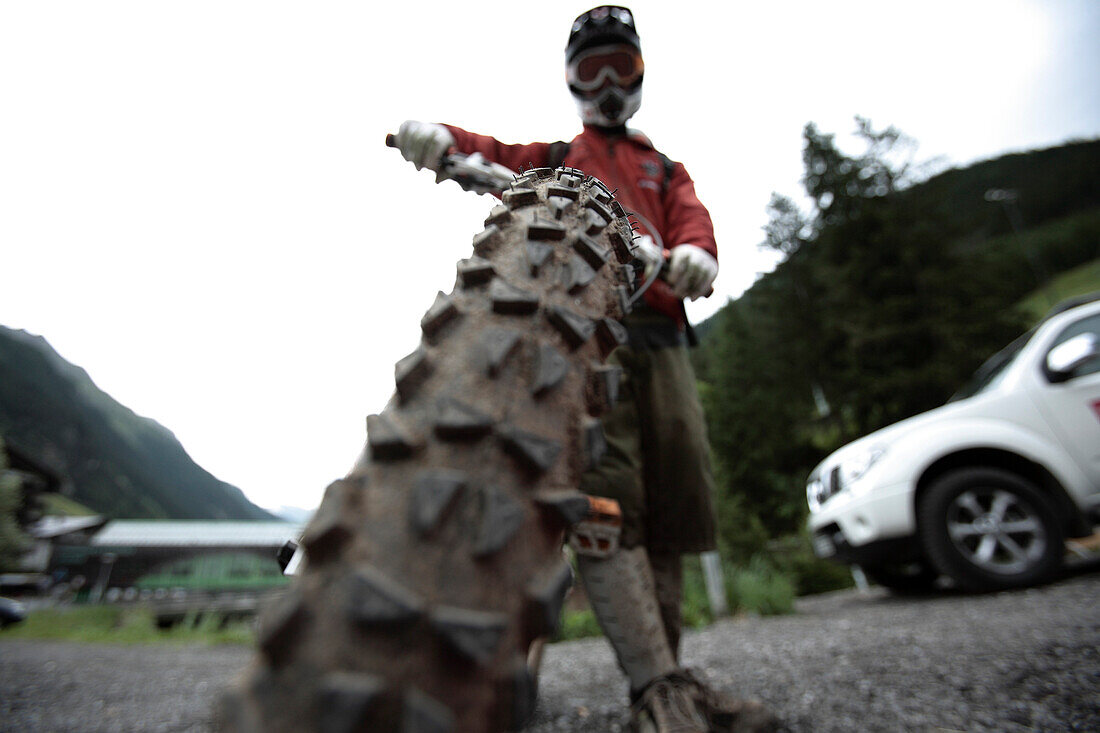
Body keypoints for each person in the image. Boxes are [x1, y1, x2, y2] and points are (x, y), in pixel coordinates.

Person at [393, 7, 776, 732]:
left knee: (675, 495)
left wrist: (697, 254)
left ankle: (668, 680)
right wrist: (444, 140)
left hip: (663, 337)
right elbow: (495, 154)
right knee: (606, 492)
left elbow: (694, 223)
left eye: (619, 68)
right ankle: (655, 685)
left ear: (639, 75)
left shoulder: (665, 167)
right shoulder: (560, 154)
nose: (605, 83)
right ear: (571, 78)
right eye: (590, 69)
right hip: (586, 331)